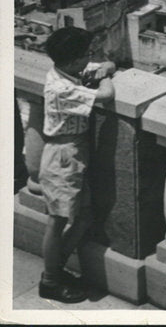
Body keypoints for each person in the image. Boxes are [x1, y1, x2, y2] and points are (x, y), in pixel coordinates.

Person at [38, 26, 116, 303]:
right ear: (73, 60)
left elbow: (107, 62)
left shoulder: (66, 71)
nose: (90, 57)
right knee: (57, 221)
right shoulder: (62, 88)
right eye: (87, 54)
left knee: (83, 217)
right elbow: (106, 94)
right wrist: (105, 75)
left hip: (74, 152)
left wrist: (103, 65)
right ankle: (50, 280)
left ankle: (55, 268)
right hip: (63, 156)